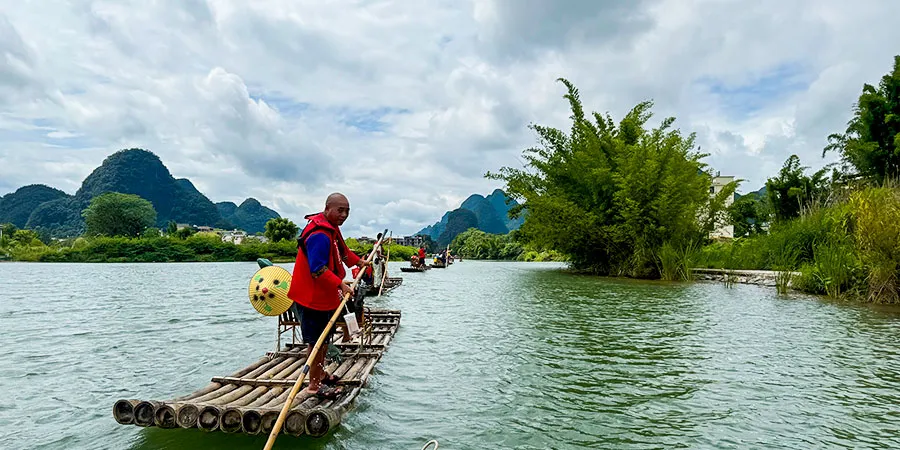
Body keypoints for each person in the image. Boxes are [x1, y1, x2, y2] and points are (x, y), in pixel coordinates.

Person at [287, 192, 371, 399]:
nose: (344, 215)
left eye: (347, 211)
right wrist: (340, 284)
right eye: (340, 210)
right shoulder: (319, 235)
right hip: (311, 297)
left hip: (325, 296)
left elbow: (343, 253)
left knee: (325, 341)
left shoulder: (332, 229)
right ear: (327, 209)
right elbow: (317, 269)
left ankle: (321, 374)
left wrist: (359, 262)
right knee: (316, 342)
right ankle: (314, 386)